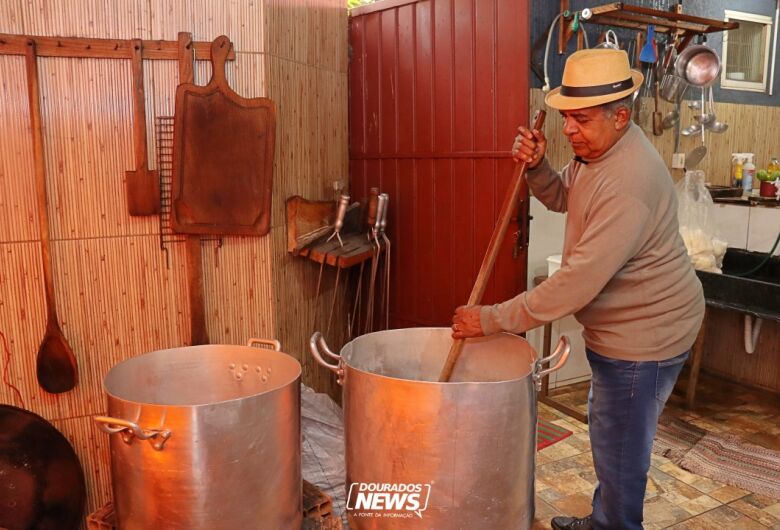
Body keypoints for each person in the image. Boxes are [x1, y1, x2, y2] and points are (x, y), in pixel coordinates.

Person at [451, 48, 705, 530]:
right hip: (628, 331)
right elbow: (565, 195)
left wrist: (487, 320)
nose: (569, 130)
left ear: (621, 116)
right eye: (566, 118)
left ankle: (616, 524)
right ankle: (603, 518)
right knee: (612, 437)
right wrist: (537, 169)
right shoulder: (601, 151)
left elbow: (574, 288)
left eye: (580, 120)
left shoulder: (629, 180)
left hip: (646, 339)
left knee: (622, 452)